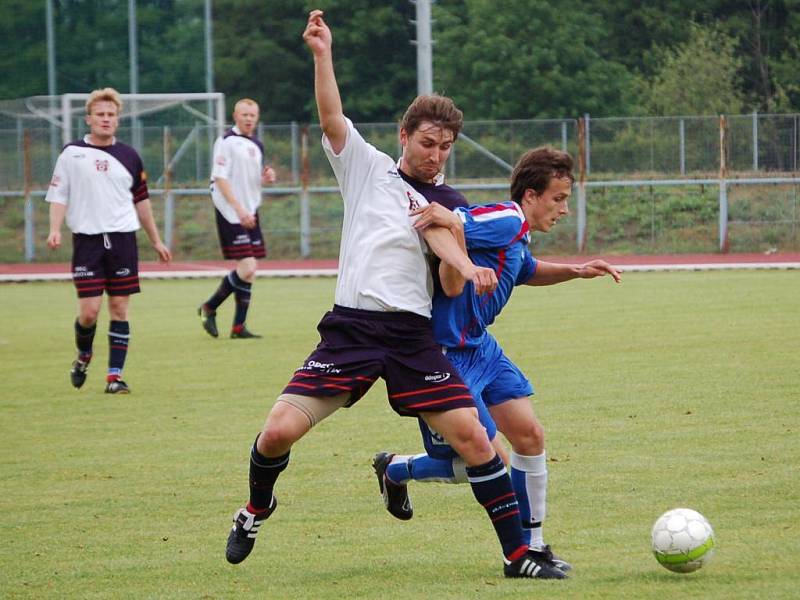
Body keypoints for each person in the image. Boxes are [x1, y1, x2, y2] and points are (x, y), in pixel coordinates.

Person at [224, 9, 565, 580]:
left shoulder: (451, 203)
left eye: (446, 146)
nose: (436, 154)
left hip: (412, 337)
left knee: (478, 443)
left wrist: (461, 264)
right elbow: (332, 116)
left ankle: (518, 556)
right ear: (405, 136)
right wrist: (322, 53)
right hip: (353, 329)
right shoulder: (368, 168)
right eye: (428, 142)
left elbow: (446, 257)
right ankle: (257, 507)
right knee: (278, 432)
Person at [372, 146, 622, 573]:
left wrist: (576, 270)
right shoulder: (506, 218)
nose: (564, 209)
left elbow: (524, 270)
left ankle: (535, 545)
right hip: (445, 354)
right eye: (558, 199)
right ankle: (396, 470)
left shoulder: (517, 234)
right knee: (483, 461)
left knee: (529, 435)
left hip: (481, 348)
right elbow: (449, 218)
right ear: (530, 194)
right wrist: (451, 236)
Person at [46, 87, 172, 394]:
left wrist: (155, 240)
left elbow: (142, 202)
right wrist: (55, 228)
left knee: (119, 308)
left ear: (118, 120)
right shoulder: (72, 154)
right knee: (89, 312)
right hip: (87, 242)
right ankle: (83, 355)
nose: (106, 119)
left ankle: (114, 377)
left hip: (122, 240)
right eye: (100, 115)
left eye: (111, 115)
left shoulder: (130, 156)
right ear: (88, 118)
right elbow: (59, 195)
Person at [198, 98, 276, 339]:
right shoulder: (226, 142)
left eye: (253, 115)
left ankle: (238, 327)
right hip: (231, 211)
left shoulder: (257, 145)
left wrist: (266, 177)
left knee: (249, 271)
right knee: (248, 266)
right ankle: (209, 307)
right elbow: (220, 178)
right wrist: (239, 209)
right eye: (244, 114)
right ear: (235, 115)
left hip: (249, 210)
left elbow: (250, 177)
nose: (249, 118)